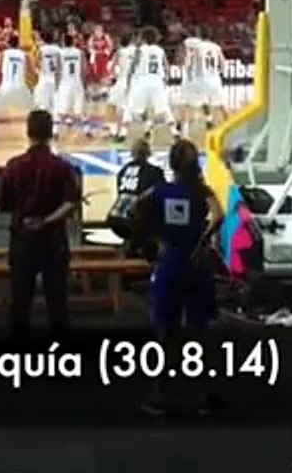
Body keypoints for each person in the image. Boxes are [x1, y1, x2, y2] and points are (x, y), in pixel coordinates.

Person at [136, 138, 223, 416]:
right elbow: (219, 215)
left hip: (170, 262)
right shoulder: (202, 191)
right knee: (201, 330)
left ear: (171, 164)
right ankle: (205, 394)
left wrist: (155, 239)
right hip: (195, 264)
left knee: (165, 330)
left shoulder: (158, 191)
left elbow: (136, 208)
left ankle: (160, 393)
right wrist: (204, 239)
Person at [0, 110, 82, 342]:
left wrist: (27, 215)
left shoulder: (14, 166)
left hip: (23, 240)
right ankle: (63, 360)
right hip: (54, 242)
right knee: (57, 303)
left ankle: (18, 358)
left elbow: (2, 203)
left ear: (28, 132)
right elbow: (71, 202)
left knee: (20, 302)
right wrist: (48, 220)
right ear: (51, 133)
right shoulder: (62, 167)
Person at [106, 137, 165, 262]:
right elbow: (161, 197)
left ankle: (130, 250)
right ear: (148, 152)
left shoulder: (123, 171)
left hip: (115, 217)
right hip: (135, 220)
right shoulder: (154, 172)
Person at [117, 28, 178, 142]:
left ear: (143, 38)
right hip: (157, 81)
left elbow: (132, 67)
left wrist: (129, 82)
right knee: (164, 109)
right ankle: (174, 132)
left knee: (130, 107)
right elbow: (167, 67)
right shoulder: (160, 50)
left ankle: (123, 134)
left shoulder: (140, 50)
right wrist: (166, 81)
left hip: (142, 81)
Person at [0, 36, 33, 141]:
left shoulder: (3, 54)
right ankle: (32, 133)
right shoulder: (25, 55)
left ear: (8, 44)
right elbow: (30, 72)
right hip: (21, 87)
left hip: (6, 86)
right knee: (34, 112)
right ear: (19, 44)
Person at [54, 34, 89, 136]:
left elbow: (58, 71)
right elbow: (84, 70)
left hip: (65, 83)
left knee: (60, 109)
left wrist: (57, 85)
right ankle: (87, 130)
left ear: (63, 42)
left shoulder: (60, 53)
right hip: (77, 82)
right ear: (73, 41)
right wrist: (84, 84)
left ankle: (55, 131)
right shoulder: (80, 53)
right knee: (80, 109)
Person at [34, 29, 62, 113]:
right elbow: (61, 64)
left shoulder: (41, 49)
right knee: (54, 102)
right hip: (54, 78)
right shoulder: (58, 49)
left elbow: (36, 63)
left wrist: (38, 72)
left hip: (44, 78)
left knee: (43, 103)